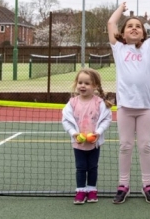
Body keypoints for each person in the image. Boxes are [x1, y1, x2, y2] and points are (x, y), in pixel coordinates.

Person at [108, 0, 150, 204]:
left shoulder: (149, 47)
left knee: (145, 146)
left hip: (145, 108)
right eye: (129, 26)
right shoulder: (118, 48)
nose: (134, 28)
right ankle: (123, 185)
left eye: (138, 26)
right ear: (123, 33)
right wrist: (120, 9)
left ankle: (147, 185)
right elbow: (110, 22)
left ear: (144, 33)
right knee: (125, 146)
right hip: (125, 107)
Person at [62, 68, 112, 204]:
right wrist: (74, 134)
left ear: (95, 86)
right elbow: (65, 120)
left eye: (87, 83)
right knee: (81, 167)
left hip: (94, 143)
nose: (82, 86)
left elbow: (107, 119)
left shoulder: (99, 103)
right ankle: (80, 191)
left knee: (92, 167)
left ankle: (91, 190)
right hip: (78, 142)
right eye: (80, 82)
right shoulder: (72, 102)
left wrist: (98, 132)